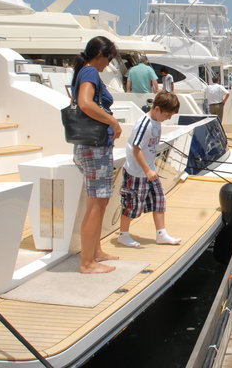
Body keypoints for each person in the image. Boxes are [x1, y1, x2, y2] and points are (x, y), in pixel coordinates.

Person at [71, 36, 122, 274]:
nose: (108, 64)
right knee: (96, 204)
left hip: (91, 146)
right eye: (108, 58)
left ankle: (95, 251)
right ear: (100, 55)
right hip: (95, 148)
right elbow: (85, 103)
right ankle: (87, 262)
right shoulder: (90, 72)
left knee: (100, 202)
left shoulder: (84, 71)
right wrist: (112, 121)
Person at [117, 91, 182, 248]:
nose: (168, 118)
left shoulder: (156, 122)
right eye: (167, 115)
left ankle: (161, 234)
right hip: (137, 172)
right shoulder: (144, 123)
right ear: (157, 109)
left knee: (159, 200)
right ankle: (123, 234)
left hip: (149, 170)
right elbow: (136, 148)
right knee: (132, 204)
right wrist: (147, 170)